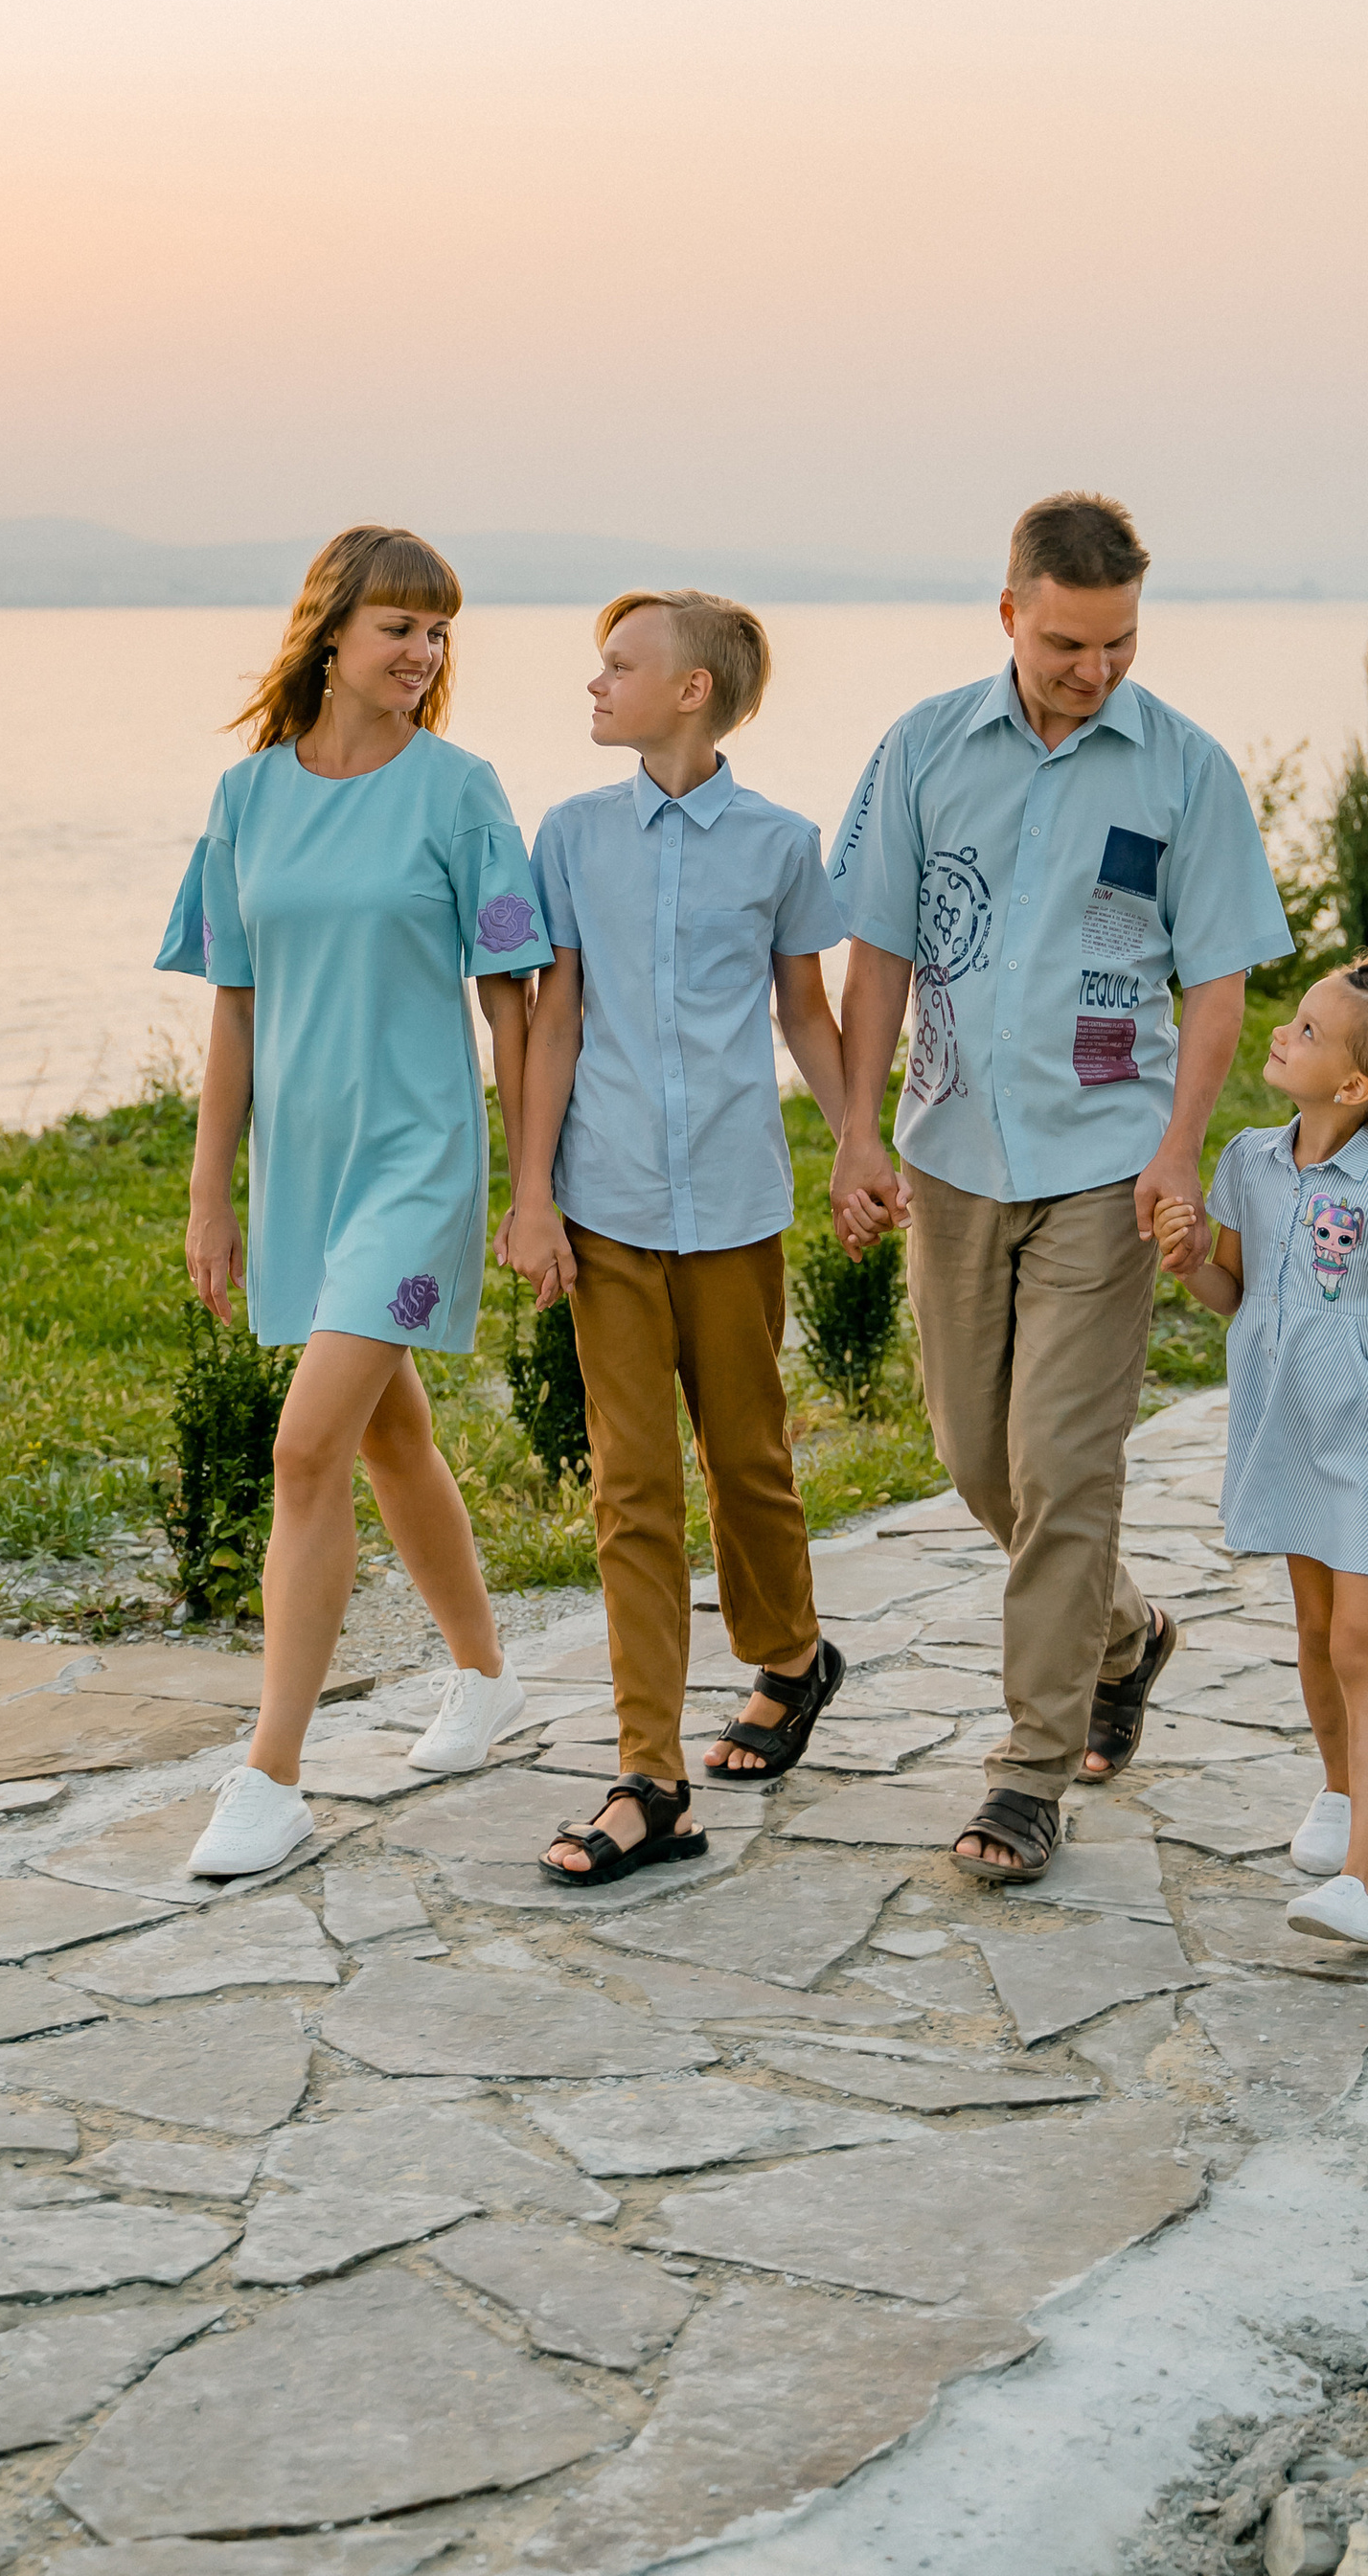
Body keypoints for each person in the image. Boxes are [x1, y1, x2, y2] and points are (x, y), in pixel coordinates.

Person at [828, 489, 1290, 1882]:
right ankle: (1127, 1635)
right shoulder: (920, 748)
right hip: (953, 1148)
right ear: (1012, 613)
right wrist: (855, 1130)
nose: (1095, 672)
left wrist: (1178, 1151)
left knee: (1063, 1472)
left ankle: (1030, 1776)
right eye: (1069, 645)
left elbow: (1217, 981)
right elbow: (879, 959)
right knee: (981, 1464)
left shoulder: (1186, 771)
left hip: (1107, 1162)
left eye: (1120, 646)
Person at [157, 523, 555, 1880]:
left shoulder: (459, 792)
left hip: (414, 1160)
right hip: (301, 1177)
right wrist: (210, 1194)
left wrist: (530, 1187)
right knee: (389, 1441)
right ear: (331, 632)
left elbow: (515, 1002)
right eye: (400, 627)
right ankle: (488, 1677)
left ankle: (269, 1778)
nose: (423, 653)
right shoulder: (248, 798)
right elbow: (236, 1007)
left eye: (438, 632)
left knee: (304, 1451)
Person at [501, 591, 853, 1885]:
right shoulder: (573, 835)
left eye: (619, 666)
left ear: (692, 690)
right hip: (606, 1209)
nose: (595, 683)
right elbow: (555, 1020)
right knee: (630, 1485)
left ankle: (794, 1653)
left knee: (748, 1459)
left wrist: (856, 1142)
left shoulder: (778, 844)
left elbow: (807, 1017)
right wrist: (530, 1194)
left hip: (736, 1203)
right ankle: (649, 1774)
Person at [1154, 957, 1368, 1949]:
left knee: (1364, 1649)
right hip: (1282, 1432)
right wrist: (1190, 1260)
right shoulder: (1247, 1160)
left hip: (1365, 1444)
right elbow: (1233, 1294)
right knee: (1317, 1635)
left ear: (1355, 1088)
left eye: (1310, 1032)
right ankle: (1336, 1793)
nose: (1284, 1035)